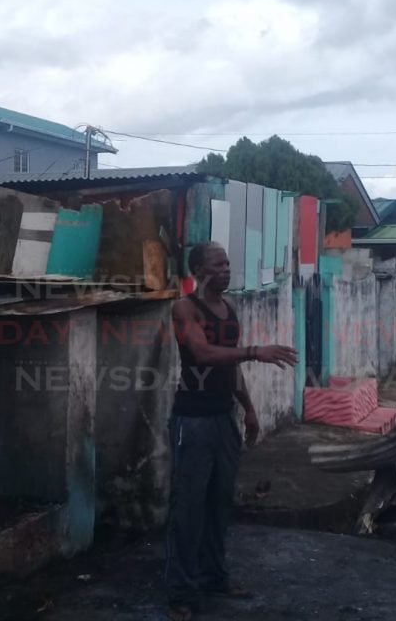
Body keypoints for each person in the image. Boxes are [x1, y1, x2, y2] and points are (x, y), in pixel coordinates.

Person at [166, 241, 298, 620]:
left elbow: (230, 366)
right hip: (192, 420)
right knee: (187, 508)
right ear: (198, 270)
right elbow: (204, 354)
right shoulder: (184, 309)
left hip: (223, 418)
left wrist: (250, 408)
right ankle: (179, 593)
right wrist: (257, 351)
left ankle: (213, 577)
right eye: (217, 264)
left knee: (218, 504)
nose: (226, 269)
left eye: (227, 262)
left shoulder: (229, 309)